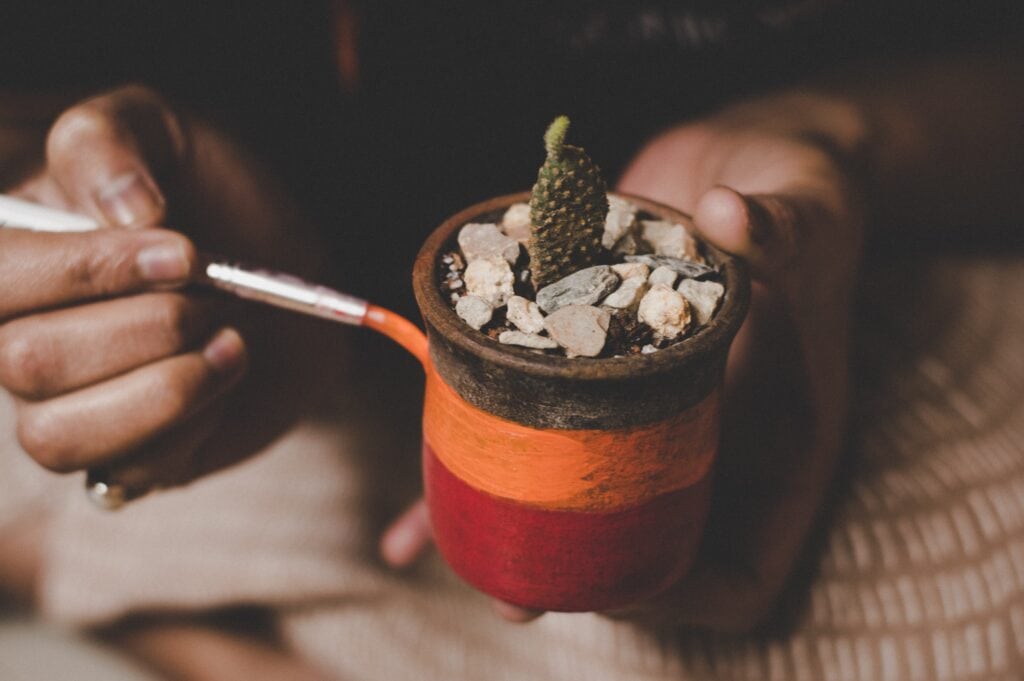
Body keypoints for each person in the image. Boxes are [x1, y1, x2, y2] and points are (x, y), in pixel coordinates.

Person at [1, 2, 1022, 679]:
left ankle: (124, 581)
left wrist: (838, 138)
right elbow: (43, 144)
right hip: (308, 346)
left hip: (858, 282)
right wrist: (140, 208)